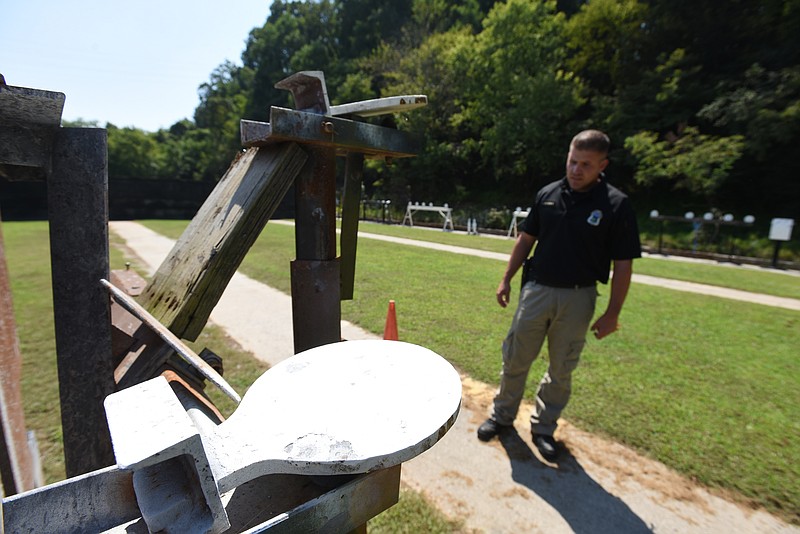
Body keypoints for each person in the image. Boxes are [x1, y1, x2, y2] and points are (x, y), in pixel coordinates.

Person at [477, 129, 641, 462]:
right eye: (572, 161)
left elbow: (623, 265)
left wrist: (613, 314)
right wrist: (506, 278)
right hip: (537, 291)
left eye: (586, 164)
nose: (576, 170)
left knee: (562, 367)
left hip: (579, 298)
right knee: (515, 358)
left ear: (602, 165)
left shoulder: (615, 204)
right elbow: (526, 240)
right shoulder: (548, 194)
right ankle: (502, 416)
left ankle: (543, 427)